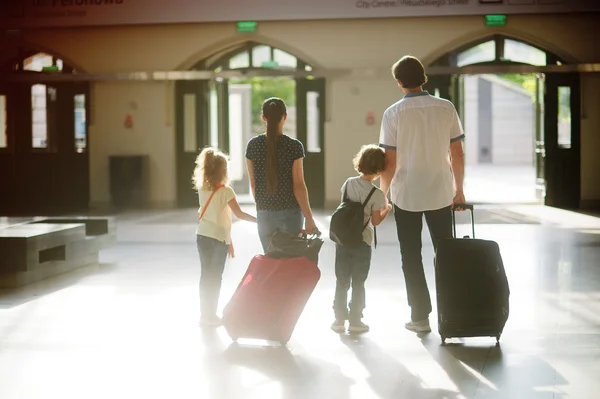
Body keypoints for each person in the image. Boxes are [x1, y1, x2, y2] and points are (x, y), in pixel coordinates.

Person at [379, 55, 466, 334]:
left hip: (407, 194)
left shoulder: (393, 113)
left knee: (411, 256)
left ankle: (420, 317)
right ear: (423, 78)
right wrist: (459, 190)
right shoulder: (446, 107)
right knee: (447, 254)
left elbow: (389, 162)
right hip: (441, 191)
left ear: (399, 82)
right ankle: (452, 313)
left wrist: (383, 195)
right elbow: (457, 153)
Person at [331, 145, 393, 334]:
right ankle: (356, 321)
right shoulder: (377, 194)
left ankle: (339, 320)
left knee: (342, 281)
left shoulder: (349, 183)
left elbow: (344, 206)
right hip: (362, 241)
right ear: (380, 169)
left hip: (343, 240)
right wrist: (386, 210)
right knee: (358, 282)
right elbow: (375, 221)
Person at [193, 147, 257, 327]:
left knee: (205, 276)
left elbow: (219, 216)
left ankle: (204, 316)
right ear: (223, 171)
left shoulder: (202, 188)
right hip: (217, 240)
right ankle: (211, 316)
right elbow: (240, 214)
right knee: (215, 277)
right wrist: (260, 221)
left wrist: (230, 240)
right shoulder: (226, 192)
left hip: (202, 236)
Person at [245, 97, 317, 252]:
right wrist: (309, 218)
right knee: (290, 264)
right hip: (290, 212)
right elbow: (299, 185)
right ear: (285, 116)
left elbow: (253, 183)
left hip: (264, 212)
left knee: (271, 263)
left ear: (264, 117)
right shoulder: (294, 146)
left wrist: (262, 208)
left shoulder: (253, 145)